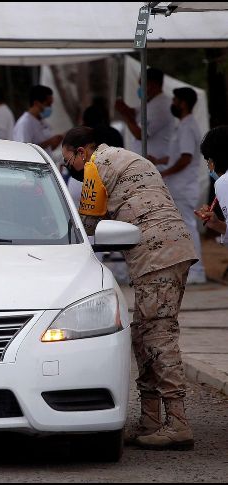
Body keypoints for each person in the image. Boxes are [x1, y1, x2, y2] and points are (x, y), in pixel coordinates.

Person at [62, 126, 197, 451]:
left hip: (157, 255)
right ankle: (150, 419)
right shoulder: (128, 158)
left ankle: (177, 423)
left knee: (158, 334)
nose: (71, 168)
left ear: (83, 152)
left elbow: (90, 225)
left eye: (69, 161)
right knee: (143, 332)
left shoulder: (95, 164)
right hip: (172, 249)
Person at [151, 87, 206, 284]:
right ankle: (188, 269)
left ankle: (197, 272)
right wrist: (158, 160)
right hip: (179, 187)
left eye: (174, 100)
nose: (172, 104)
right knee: (182, 229)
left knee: (189, 229)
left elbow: (185, 158)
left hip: (183, 187)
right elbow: (176, 154)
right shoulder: (182, 125)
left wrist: (165, 172)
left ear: (182, 103)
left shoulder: (187, 126)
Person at [115, 67, 174, 162]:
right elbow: (134, 113)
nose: (140, 88)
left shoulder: (161, 107)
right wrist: (124, 108)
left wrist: (124, 114)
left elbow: (140, 134)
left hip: (155, 164)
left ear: (153, 84)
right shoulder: (151, 102)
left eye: (142, 85)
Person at [13, 85, 63, 151]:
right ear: (36, 103)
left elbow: (48, 149)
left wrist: (58, 140)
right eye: (48, 104)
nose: (50, 108)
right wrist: (49, 142)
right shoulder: (24, 123)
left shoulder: (42, 121)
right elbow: (24, 150)